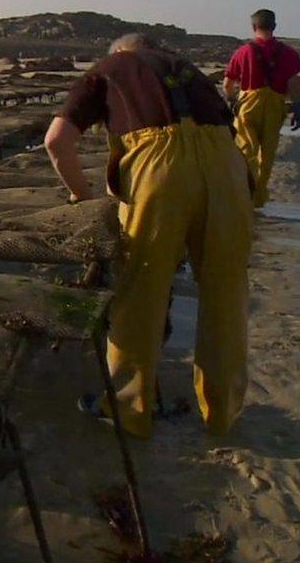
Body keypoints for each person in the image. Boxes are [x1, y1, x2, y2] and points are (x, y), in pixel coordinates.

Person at [44, 34, 252, 439]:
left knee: (140, 291)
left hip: (160, 171)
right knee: (226, 292)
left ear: (120, 51)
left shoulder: (108, 70)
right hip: (227, 170)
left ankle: (128, 410)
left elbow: (56, 141)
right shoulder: (190, 71)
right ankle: (222, 413)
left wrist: (80, 195)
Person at [224, 9, 300, 208]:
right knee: (267, 154)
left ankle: (243, 195)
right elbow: (293, 83)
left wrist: (232, 101)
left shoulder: (243, 52)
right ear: (274, 27)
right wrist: (298, 106)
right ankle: (258, 198)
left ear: (253, 27)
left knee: (246, 149)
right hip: (275, 105)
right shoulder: (289, 53)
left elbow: (228, 83)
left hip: (249, 103)